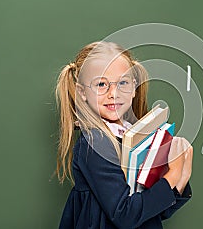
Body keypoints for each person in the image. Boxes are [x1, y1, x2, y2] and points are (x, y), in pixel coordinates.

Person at [55, 41, 193, 229]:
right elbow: (125, 216)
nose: (114, 93)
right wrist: (173, 174)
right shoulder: (96, 144)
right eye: (101, 84)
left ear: (134, 86)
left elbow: (153, 210)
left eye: (123, 82)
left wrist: (181, 176)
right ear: (82, 92)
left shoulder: (136, 135)